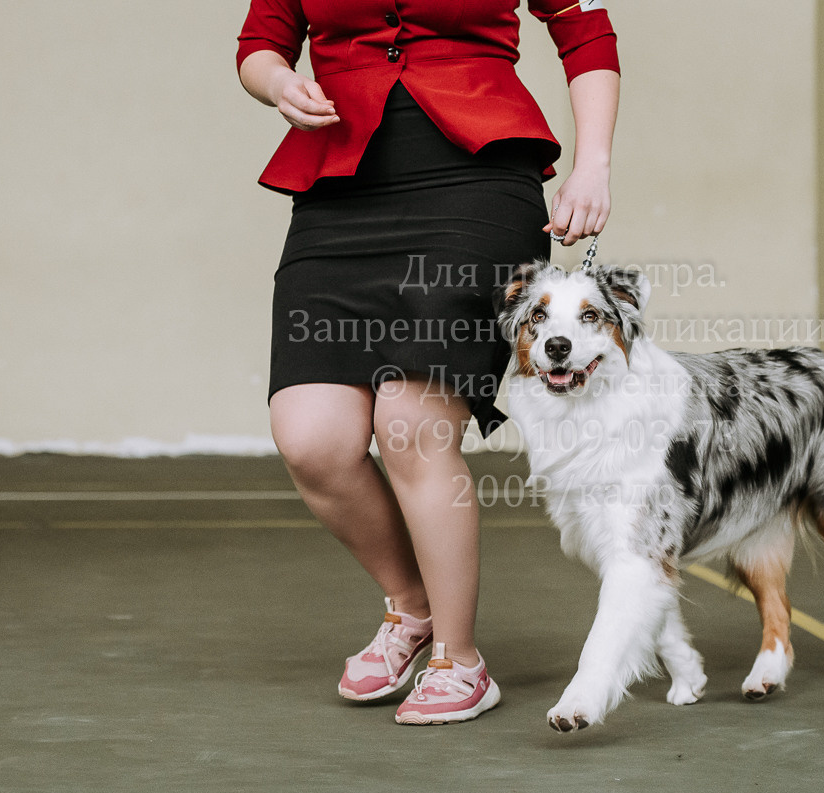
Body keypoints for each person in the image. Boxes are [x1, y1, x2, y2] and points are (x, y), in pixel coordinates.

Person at [236, 0, 620, 724]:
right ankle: (409, 608)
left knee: (411, 423)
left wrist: (592, 164)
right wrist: (277, 83)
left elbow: (585, 27)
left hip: (475, 185)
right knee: (312, 439)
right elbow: (260, 44)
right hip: (340, 191)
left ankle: (460, 657)